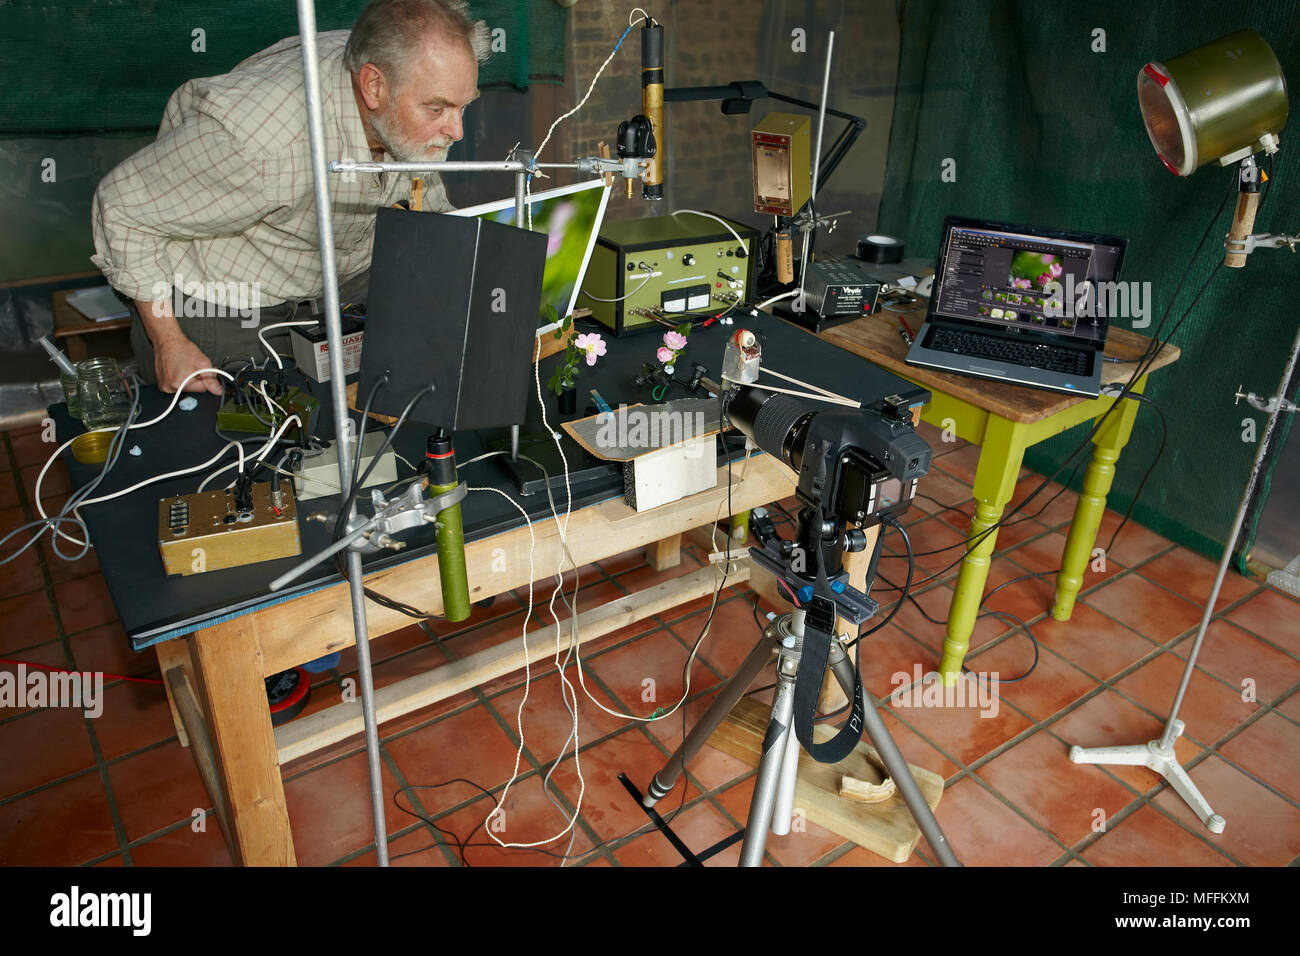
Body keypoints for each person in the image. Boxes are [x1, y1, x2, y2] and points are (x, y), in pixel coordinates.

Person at [90, 0, 488, 394]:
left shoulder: (403, 74)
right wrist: (168, 342)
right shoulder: (258, 141)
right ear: (373, 86)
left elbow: (428, 201)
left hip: (333, 282)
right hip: (228, 306)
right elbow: (121, 209)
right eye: (438, 108)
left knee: (363, 425)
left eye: (463, 105)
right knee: (241, 448)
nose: (457, 130)